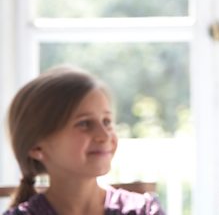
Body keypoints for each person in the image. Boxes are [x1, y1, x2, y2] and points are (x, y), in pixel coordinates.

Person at [3, 66, 165, 215]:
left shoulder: (144, 210)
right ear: (36, 147)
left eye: (107, 122)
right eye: (84, 123)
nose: (105, 135)